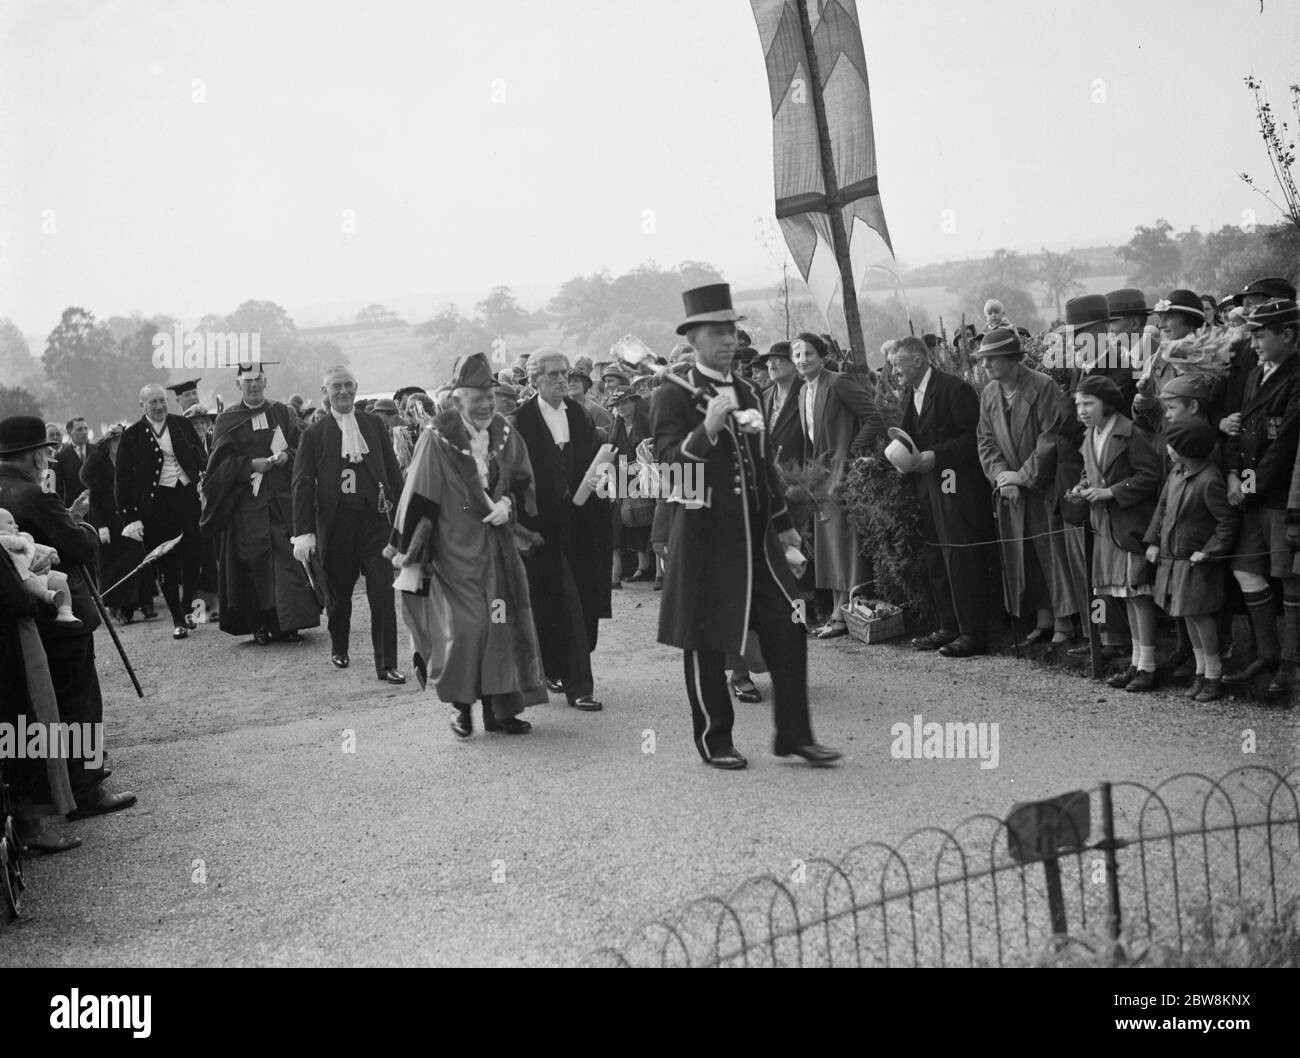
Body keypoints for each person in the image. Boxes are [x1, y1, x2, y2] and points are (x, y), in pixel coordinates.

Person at [653, 283, 840, 770]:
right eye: (716, 332)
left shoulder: (749, 390)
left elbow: (760, 470)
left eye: (732, 331)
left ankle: (794, 736)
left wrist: (785, 530)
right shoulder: (670, 396)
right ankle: (717, 741)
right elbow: (672, 474)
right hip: (703, 542)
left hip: (756, 543)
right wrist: (708, 428)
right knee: (706, 643)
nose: (728, 340)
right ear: (693, 338)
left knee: (789, 627)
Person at [386, 352, 545, 736]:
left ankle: (500, 711)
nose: (487, 404)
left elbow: (523, 480)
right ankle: (460, 706)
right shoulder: (436, 439)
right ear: (458, 401)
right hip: (455, 555)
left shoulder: (505, 432)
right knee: (466, 629)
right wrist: (410, 556)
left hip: (499, 553)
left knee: (500, 623)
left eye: (489, 397)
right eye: (477, 399)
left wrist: (508, 505)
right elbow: (419, 497)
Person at [0, 415, 137, 821]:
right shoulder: (34, 494)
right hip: (61, 611)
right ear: (34, 455)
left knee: (49, 705)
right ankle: (86, 785)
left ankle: (58, 785)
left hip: (24, 617)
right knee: (80, 700)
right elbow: (77, 544)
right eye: (44, 451)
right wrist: (83, 526)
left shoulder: (4, 492)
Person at [292, 366, 405, 683]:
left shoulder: (373, 425)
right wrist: (304, 532)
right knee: (339, 595)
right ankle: (339, 645)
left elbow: (393, 472)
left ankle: (386, 664)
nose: (343, 392)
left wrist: (400, 517)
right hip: (338, 525)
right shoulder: (313, 435)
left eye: (347, 386)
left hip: (375, 525)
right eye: (335, 387)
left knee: (382, 593)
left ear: (356, 388)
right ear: (325, 392)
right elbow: (302, 484)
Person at [513, 347, 610, 711]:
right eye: (552, 374)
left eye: (564, 373)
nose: (560, 380)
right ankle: (579, 684)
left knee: (580, 603)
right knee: (554, 602)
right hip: (541, 531)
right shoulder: (519, 420)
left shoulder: (581, 416)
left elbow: (590, 468)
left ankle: (563, 670)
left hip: (581, 527)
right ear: (534, 379)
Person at [976, 328, 1086, 645]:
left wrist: (1022, 477)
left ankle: (1066, 621)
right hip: (1010, 491)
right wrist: (1000, 477)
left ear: (1012, 359)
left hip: (1041, 487)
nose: (986, 366)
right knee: (1024, 554)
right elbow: (984, 442)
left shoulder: (1042, 385)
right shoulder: (988, 394)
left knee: (1051, 553)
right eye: (983, 360)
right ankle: (1043, 617)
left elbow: (1050, 438)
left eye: (992, 359)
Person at [200, 361, 321, 645]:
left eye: (258, 380)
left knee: (287, 564)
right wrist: (248, 465)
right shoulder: (227, 420)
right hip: (247, 508)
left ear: (265, 382)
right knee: (255, 566)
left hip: (281, 503)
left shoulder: (281, 412)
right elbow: (217, 470)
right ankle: (262, 624)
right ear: (238, 385)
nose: (253, 386)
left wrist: (286, 457)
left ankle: (291, 622)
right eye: (247, 381)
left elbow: (300, 447)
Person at [890, 337, 995, 657]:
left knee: (960, 558)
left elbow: (974, 437)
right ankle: (948, 626)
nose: (894, 372)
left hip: (957, 486)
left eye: (898, 365)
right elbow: (910, 434)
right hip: (929, 487)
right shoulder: (913, 392)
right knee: (937, 556)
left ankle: (973, 632)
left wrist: (937, 454)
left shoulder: (954, 389)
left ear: (919, 361)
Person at [1065, 376, 1162, 691]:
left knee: (1138, 594)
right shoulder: (1090, 434)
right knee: (1123, 596)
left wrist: (1111, 493)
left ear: (1106, 403)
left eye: (1088, 404)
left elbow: (1150, 476)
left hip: (1130, 526)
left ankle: (1148, 666)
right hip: (1105, 528)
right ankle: (1136, 663)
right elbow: (1089, 470)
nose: (1082, 410)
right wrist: (1082, 487)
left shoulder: (1129, 432)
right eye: (1079, 404)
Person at [1224, 297, 1300, 699]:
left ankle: (1288, 666)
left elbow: (1283, 445)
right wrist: (1234, 474)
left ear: (1287, 335)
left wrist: (1247, 486)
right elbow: (1239, 429)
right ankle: (1266, 654)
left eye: (1260, 334)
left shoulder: (1296, 376)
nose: (1253, 342)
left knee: (1288, 578)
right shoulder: (1256, 373)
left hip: (1279, 495)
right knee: (1246, 569)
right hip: (1252, 492)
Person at [793, 331, 885, 637]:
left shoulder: (839, 382)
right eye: (797, 355)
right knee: (826, 545)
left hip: (842, 473)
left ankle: (842, 613)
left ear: (822, 356)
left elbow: (872, 417)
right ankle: (837, 609)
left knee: (844, 541)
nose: (802, 360)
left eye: (808, 354)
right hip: (818, 477)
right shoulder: (803, 392)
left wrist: (852, 455)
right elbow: (810, 438)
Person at [1144, 417, 1238, 702]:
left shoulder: (1209, 480)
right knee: (1186, 614)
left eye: (1172, 444)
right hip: (1173, 561)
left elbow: (1227, 522)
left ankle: (1214, 675)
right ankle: (1200, 670)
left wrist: (1209, 551)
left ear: (1184, 449)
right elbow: (1161, 509)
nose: (1168, 448)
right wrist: (1152, 541)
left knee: (1200, 615)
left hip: (1196, 563)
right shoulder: (1176, 472)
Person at [116, 384, 207, 640]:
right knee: (164, 561)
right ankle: (178, 620)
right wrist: (130, 517)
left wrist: (202, 480)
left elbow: (200, 456)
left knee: (193, 556)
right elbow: (122, 479)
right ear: (142, 405)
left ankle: (188, 604)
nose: (159, 407)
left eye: (162, 401)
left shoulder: (181, 424)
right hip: (155, 508)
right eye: (153, 402)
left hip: (187, 499)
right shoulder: (132, 435)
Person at [80, 424, 148, 624]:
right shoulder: (98, 463)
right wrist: (100, 526)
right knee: (113, 567)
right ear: (108, 443)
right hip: (108, 521)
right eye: (116, 440)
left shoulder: (131, 458)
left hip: (129, 517)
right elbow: (95, 498)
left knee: (137, 560)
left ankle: (140, 603)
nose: (120, 444)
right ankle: (119, 608)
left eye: (122, 439)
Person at [608, 386, 654, 585]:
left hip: (646, 478)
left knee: (650, 519)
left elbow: (653, 450)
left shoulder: (646, 423)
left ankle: (654, 569)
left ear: (635, 402)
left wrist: (640, 465)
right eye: (617, 404)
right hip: (624, 478)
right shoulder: (616, 425)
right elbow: (612, 451)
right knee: (631, 522)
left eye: (624, 402)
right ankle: (642, 567)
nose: (620, 407)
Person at [0, 508, 80, 623]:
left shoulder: (22, 538)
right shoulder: (4, 540)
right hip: (23, 578)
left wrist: (50, 552)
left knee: (58, 580)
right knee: (30, 582)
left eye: (14, 522)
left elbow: (34, 546)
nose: (15, 525)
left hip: (40, 574)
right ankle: (48, 596)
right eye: (9, 523)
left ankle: (65, 611)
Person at [758, 341, 804, 468]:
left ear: (795, 365)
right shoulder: (764, 396)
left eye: (778, 361)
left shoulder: (808, 393)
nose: (771, 367)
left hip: (801, 476)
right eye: (769, 362)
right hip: (769, 474)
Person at [567, 357, 612, 434]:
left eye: (576, 381)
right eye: (568, 381)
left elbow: (608, 433)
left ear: (584, 385)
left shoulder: (595, 409)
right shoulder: (563, 407)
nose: (572, 384)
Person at [54, 417, 91, 507]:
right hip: (73, 508)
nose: (84, 432)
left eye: (86, 428)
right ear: (69, 433)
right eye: (79, 429)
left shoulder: (97, 452)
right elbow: (58, 488)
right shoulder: (61, 457)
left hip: (96, 508)